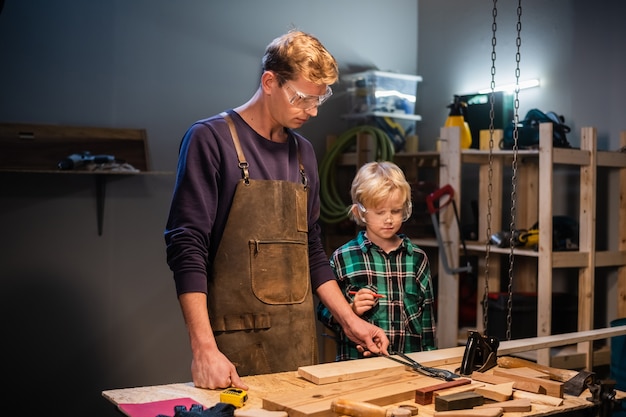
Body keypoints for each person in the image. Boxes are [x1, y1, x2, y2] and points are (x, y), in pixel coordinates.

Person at [164, 29, 390, 390]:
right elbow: (187, 248)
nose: (313, 111)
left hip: (298, 345)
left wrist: (350, 322)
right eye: (302, 98)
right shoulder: (210, 139)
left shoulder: (304, 154)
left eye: (319, 100)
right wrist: (203, 348)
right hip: (233, 348)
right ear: (269, 81)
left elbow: (311, 252)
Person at [317, 161, 437, 361]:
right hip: (356, 368)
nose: (389, 219)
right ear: (359, 212)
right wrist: (351, 309)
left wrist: (430, 363)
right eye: (380, 212)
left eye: (396, 211)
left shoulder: (417, 259)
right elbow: (323, 313)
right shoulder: (343, 258)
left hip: (408, 368)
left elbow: (427, 325)